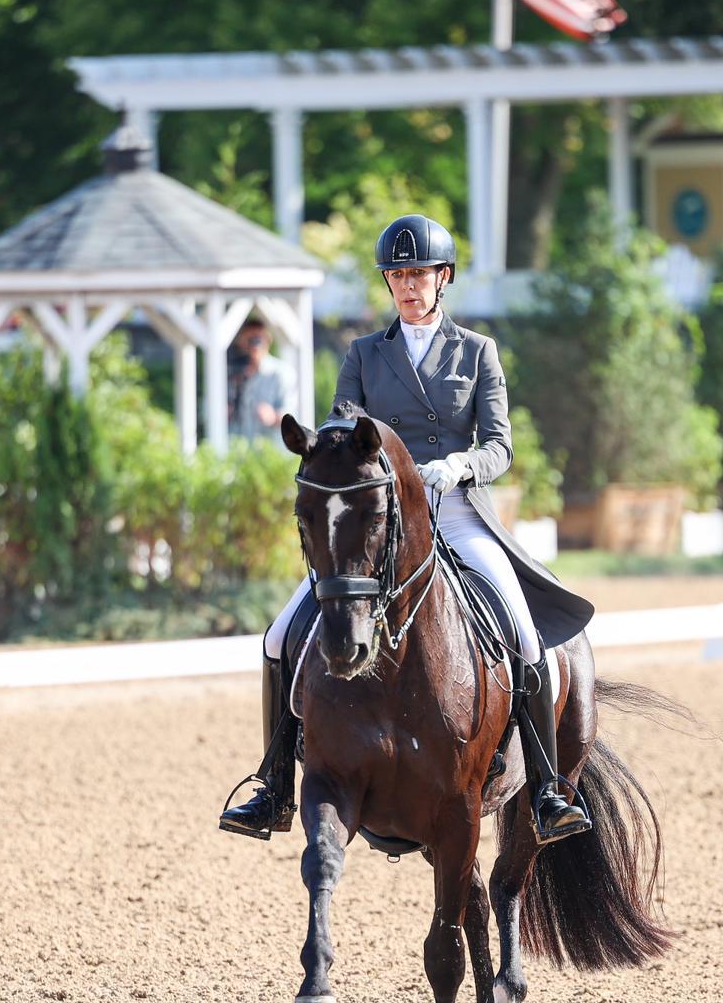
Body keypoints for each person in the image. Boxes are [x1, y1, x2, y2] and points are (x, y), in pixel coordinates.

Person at [217, 213, 596, 847]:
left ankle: (550, 787)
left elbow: (500, 447)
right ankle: (274, 786)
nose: (407, 286)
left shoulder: (477, 352)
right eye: (397, 276)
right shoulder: (365, 354)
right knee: (280, 636)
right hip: (378, 521)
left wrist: (457, 466)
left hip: (455, 510)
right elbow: (343, 432)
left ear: (442, 278)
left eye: (418, 273)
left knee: (527, 638)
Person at [228, 316, 295, 443]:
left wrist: (274, 417)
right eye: (248, 340)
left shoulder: (281, 373)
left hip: (271, 454)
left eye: (257, 340)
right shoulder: (233, 374)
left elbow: (293, 415)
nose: (253, 345)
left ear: (268, 340)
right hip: (238, 452)